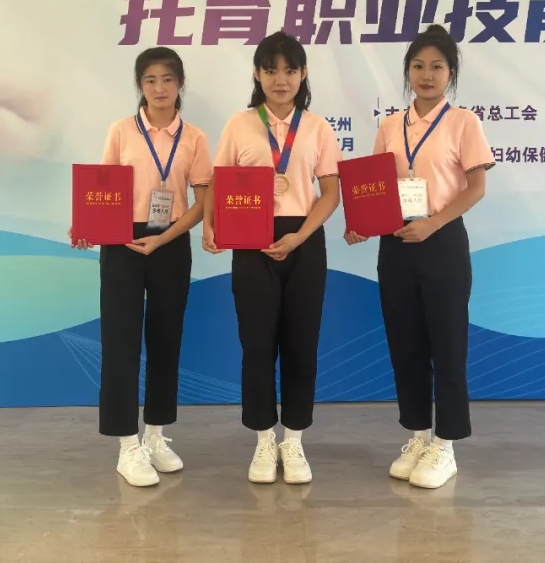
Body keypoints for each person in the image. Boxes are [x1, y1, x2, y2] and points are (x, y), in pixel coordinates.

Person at [345, 24, 494, 489]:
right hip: (396, 245)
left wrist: (432, 222)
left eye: (437, 67)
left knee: (447, 344)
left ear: (451, 74)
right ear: (407, 72)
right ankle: (417, 436)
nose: (427, 75)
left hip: (442, 241)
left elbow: (476, 187)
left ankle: (445, 445)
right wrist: (361, 223)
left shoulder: (463, 122)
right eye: (418, 66)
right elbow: (374, 188)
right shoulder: (390, 126)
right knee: (405, 344)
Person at [69, 47, 212, 487]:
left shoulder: (195, 138)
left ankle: (155, 435)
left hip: (171, 241)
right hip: (122, 241)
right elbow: (103, 189)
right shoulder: (121, 131)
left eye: (167, 79)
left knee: (166, 340)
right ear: (139, 86)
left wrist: (165, 238)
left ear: (180, 84)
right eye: (150, 80)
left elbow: (202, 202)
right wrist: (85, 224)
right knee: (121, 341)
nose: (159, 88)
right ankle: (127, 445)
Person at [203, 32, 340, 485]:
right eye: (270, 70)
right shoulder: (240, 124)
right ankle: (264, 439)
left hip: (304, 241)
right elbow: (220, 182)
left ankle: (294, 440)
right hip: (251, 241)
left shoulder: (317, 127)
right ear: (257, 75)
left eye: (290, 70)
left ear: (303, 74)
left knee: (302, 344)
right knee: (257, 344)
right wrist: (210, 224)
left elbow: (331, 193)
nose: (280, 80)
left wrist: (299, 236)